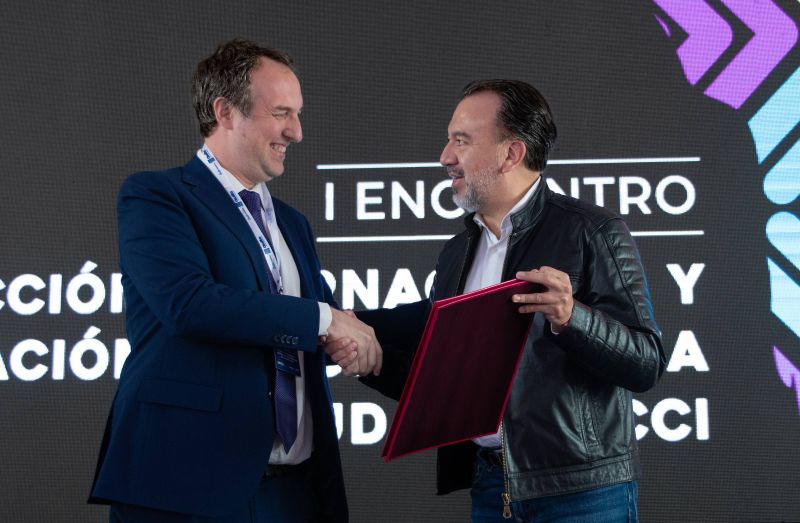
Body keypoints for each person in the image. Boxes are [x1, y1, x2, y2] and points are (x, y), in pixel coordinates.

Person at [332, 80, 666, 522]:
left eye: (462, 141)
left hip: (583, 492)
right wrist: (364, 350)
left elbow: (647, 361)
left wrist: (573, 318)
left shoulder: (592, 231)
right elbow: (443, 382)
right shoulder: (457, 253)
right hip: (493, 488)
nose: (445, 156)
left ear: (512, 153)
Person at [89, 38, 381, 522]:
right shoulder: (157, 196)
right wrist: (327, 321)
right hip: (186, 487)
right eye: (281, 113)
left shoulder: (292, 223)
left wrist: (354, 336)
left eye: (298, 114)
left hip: (293, 493)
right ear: (225, 112)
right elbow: (189, 304)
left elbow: (323, 327)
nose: (296, 132)